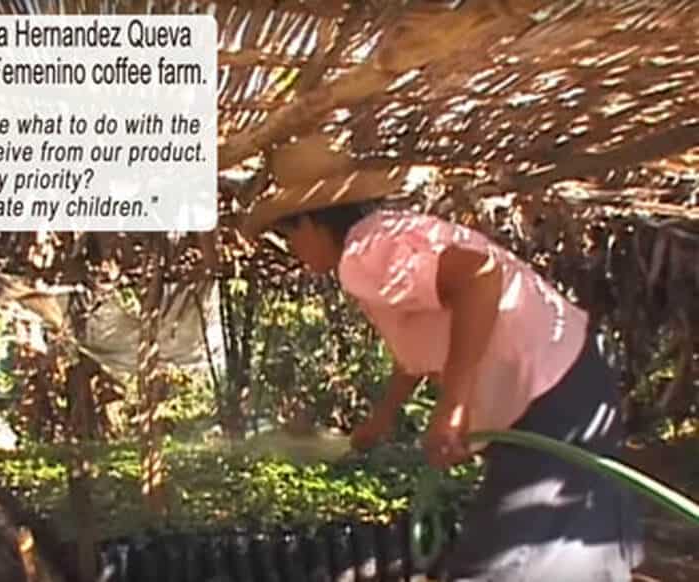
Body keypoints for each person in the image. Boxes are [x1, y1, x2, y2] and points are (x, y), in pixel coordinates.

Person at [243, 160, 644, 581]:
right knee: (567, 560)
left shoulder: (365, 254)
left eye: (291, 237)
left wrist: (453, 406)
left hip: (550, 399)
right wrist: (382, 417)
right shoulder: (386, 234)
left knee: (500, 570)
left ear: (311, 223)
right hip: (568, 386)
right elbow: (418, 344)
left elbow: (480, 278)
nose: (295, 252)